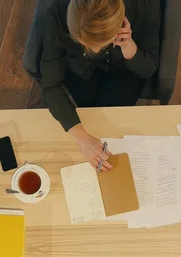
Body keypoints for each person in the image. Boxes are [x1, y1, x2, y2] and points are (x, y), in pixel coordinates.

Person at [40, 0, 160, 171]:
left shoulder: (143, 7)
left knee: (110, 130)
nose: (95, 52)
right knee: (93, 124)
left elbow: (148, 69)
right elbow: (51, 85)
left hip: (124, 70)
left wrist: (128, 45)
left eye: (102, 44)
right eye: (85, 45)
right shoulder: (58, 14)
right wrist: (82, 138)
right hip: (82, 69)